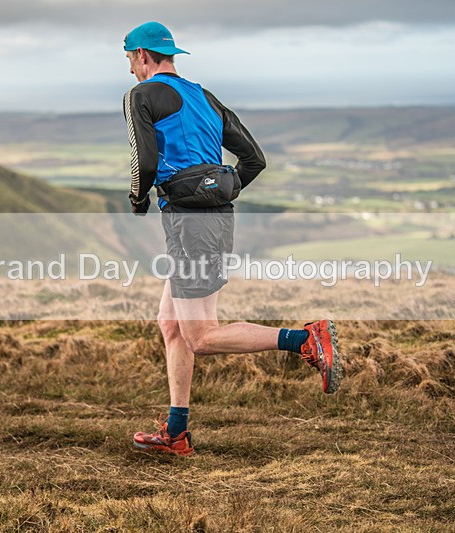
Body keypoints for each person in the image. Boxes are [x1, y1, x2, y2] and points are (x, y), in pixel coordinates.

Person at [122, 21, 341, 456]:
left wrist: (137, 197)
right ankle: (176, 432)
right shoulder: (204, 96)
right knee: (171, 326)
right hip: (215, 219)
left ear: (143, 56)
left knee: (201, 336)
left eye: (130, 59)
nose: (130, 69)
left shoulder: (140, 96)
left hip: (189, 226)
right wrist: (217, 188)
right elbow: (253, 159)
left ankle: (305, 340)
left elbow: (144, 162)